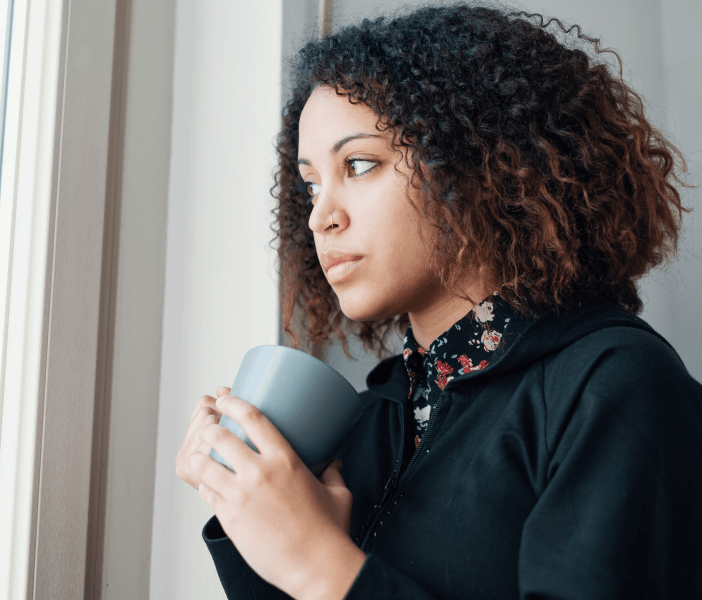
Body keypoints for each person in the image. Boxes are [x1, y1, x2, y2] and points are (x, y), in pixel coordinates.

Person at [175, 4, 702, 599]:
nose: (321, 216)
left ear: (476, 164)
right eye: (310, 184)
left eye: (359, 164)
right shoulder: (370, 419)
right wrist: (247, 512)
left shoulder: (616, 385)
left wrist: (318, 565)